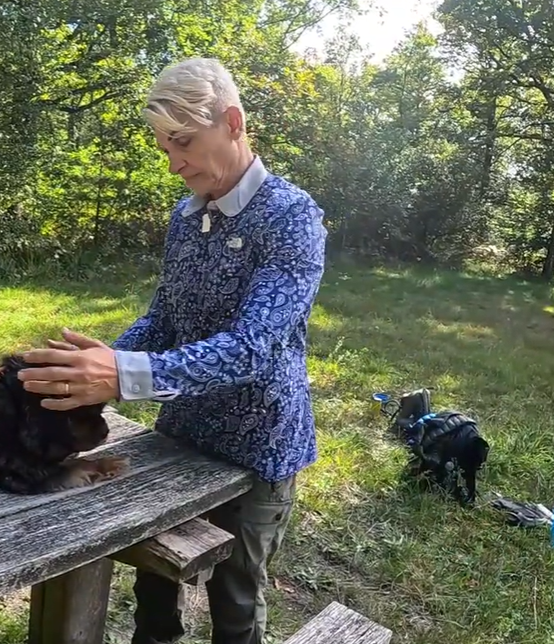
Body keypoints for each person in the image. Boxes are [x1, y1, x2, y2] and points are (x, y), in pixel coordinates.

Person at [17, 57, 328, 644]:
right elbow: (165, 320)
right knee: (154, 587)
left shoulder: (292, 218)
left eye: (183, 142)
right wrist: (104, 361)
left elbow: (252, 348)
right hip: (180, 433)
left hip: (257, 446)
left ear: (232, 122)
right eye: (165, 147)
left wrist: (124, 374)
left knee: (235, 597)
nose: (174, 163)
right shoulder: (186, 218)